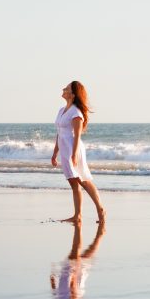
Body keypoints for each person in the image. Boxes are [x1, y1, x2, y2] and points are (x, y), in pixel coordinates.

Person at [51, 81, 106, 223]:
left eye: (67, 88)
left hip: (73, 148)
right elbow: (59, 133)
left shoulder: (76, 112)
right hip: (64, 148)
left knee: (83, 180)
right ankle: (78, 215)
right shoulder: (61, 110)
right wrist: (55, 152)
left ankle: (100, 209)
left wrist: (74, 154)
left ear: (73, 95)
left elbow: (77, 135)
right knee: (73, 182)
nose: (63, 88)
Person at [50, 221, 106, 299]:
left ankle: (98, 235)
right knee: (77, 255)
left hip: (70, 290)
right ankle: (79, 227)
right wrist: (73, 276)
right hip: (71, 288)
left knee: (81, 257)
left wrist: (54, 286)